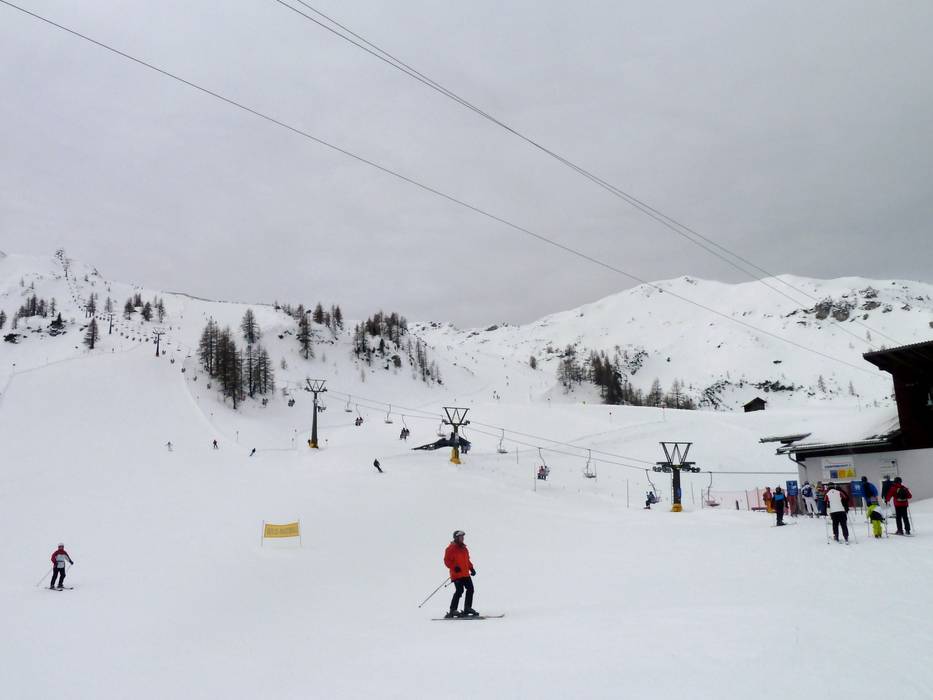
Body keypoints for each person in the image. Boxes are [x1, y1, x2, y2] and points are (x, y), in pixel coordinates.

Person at [443, 530, 477, 618]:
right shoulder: (451, 548)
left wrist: (471, 568)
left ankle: (467, 608)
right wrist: (454, 567)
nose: (462, 538)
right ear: (456, 538)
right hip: (456, 574)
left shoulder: (464, 548)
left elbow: (467, 560)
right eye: (460, 537)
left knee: (470, 589)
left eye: (463, 537)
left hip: (465, 574)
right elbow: (447, 561)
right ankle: (453, 610)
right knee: (459, 591)